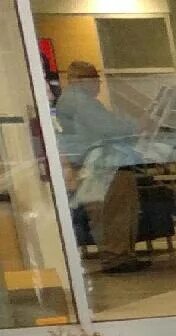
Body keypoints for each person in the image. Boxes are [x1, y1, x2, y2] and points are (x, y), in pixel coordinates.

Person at [52, 62, 149, 273]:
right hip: (104, 165)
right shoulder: (80, 101)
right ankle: (117, 257)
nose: (98, 85)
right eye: (95, 79)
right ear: (83, 80)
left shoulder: (71, 101)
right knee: (114, 212)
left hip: (95, 163)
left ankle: (120, 255)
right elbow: (108, 128)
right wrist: (137, 125)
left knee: (111, 212)